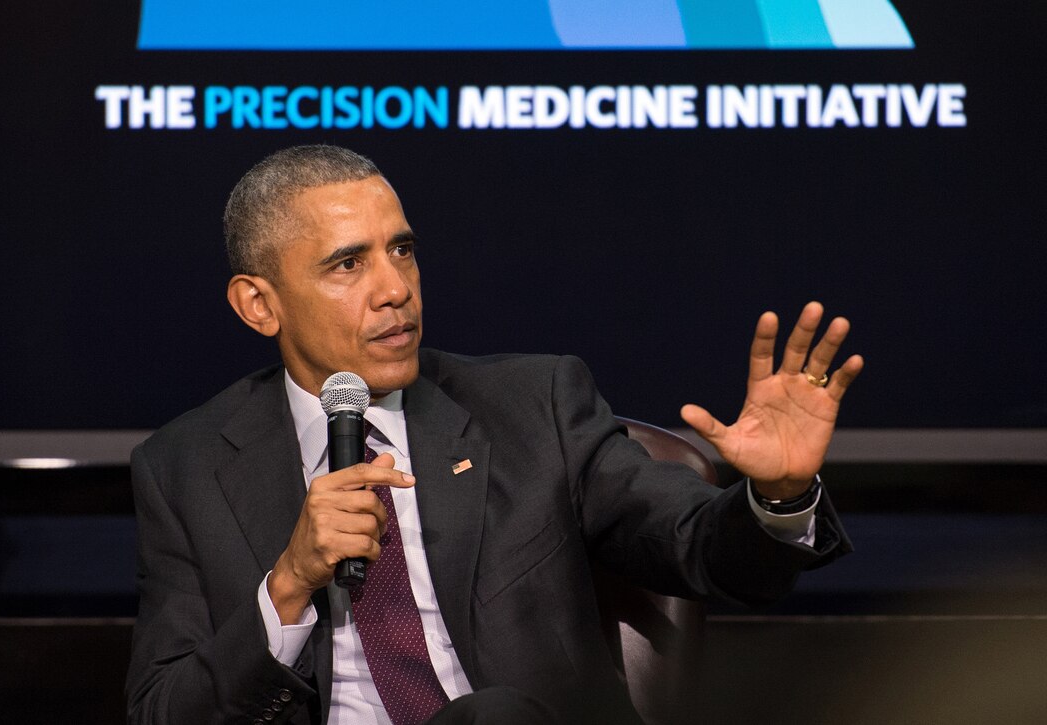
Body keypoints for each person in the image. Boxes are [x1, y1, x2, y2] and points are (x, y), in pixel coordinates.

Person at [126, 145, 863, 724]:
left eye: (403, 250)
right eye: (349, 263)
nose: (395, 288)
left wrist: (778, 494)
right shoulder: (185, 468)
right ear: (259, 304)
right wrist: (286, 586)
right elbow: (165, 711)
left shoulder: (532, 405)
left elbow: (697, 546)